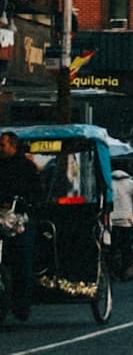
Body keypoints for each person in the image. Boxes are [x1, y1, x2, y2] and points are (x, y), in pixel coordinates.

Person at [0, 132, 40, 320]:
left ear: (12, 146)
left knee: (23, 261)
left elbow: (36, 192)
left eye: (3, 145)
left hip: (20, 219)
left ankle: (22, 304)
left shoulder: (26, 167)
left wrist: (24, 202)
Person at [109, 164, 133, 272]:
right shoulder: (130, 183)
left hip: (112, 219)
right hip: (126, 219)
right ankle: (124, 269)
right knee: (126, 245)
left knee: (112, 245)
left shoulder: (109, 182)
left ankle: (112, 267)